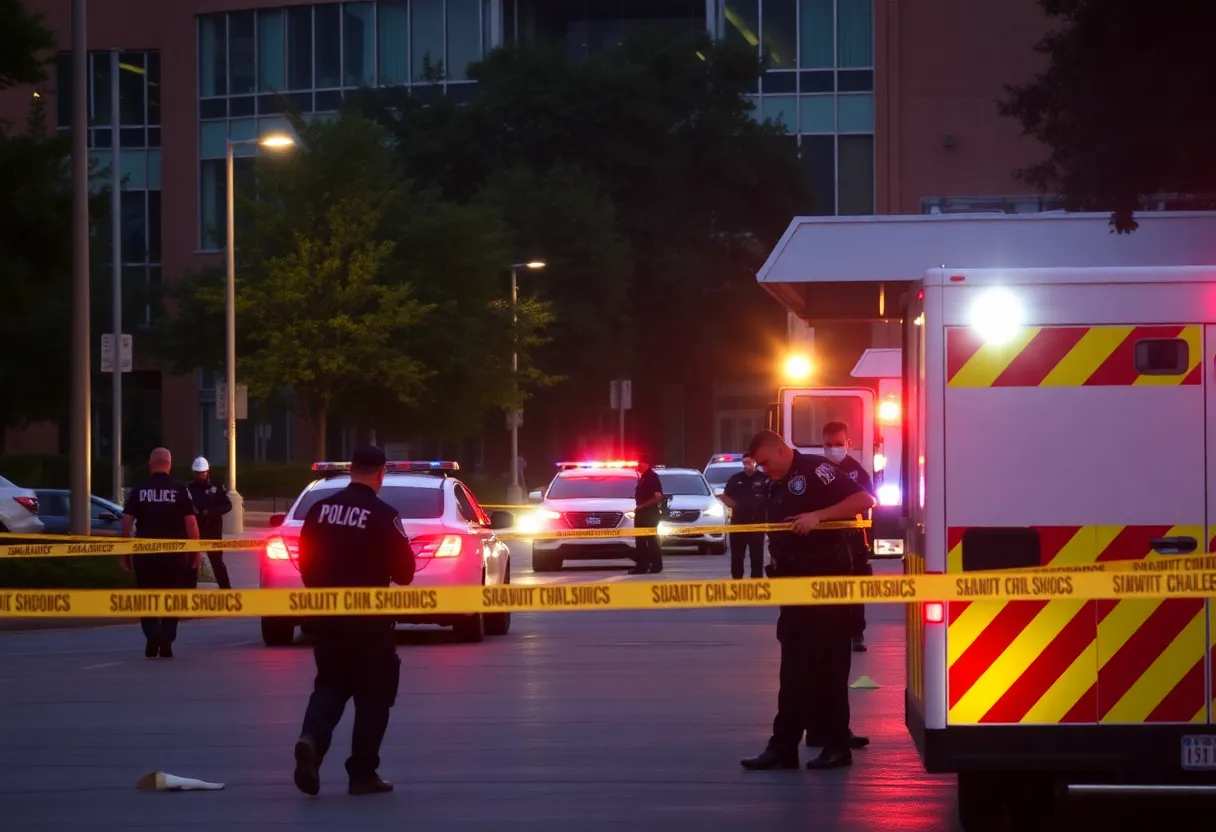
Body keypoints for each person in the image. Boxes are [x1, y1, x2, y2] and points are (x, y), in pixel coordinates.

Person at [739, 429, 876, 772]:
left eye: (766, 462)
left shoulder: (816, 470)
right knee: (800, 667)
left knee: (821, 667)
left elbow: (865, 500)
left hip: (826, 586)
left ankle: (819, 746)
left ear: (781, 450)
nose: (764, 469)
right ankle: (802, 742)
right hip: (795, 587)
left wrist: (819, 516)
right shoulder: (777, 482)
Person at [292, 444, 416, 798]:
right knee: (374, 697)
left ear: (350, 470)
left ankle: (312, 741)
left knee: (329, 686)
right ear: (381, 473)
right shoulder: (383, 514)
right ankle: (362, 774)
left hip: (327, 617)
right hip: (371, 624)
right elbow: (405, 573)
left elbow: (305, 562)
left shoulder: (318, 511)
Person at [119, 447, 200, 659]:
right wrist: (196, 554)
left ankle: (153, 636)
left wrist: (124, 553)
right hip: (175, 555)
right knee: (172, 598)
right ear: (169, 465)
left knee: (147, 598)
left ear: (150, 464)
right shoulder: (180, 489)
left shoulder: (139, 489)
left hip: (145, 556)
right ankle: (166, 638)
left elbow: (127, 524)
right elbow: (191, 525)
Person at [821, 421, 875, 653]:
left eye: (838, 444)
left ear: (848, 444)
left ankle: (856, 633)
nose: (834, 448)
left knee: (855, 588)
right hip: (823, 538)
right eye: (828, 444)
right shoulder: (817, 468)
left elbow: (865, 500)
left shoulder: (857, 472)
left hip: (853, 537)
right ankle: (828, 632)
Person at [185, 456, 233, 590]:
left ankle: (227, 592)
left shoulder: (216, 487)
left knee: (217, 563)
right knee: (192, 563)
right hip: (195, 531)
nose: (200, 475)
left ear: (207, 471)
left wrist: (211, 511)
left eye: (202, 472)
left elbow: (227, 506)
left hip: (213, 531)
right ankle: (188, 593)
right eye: (197, 473)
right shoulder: (188, 488)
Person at [719, 454, 769, 579]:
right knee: (737, 556)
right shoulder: (736, 479)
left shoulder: (764, 479)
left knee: (757, 556)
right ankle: (737, 582)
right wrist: (734, 505)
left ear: (755, 462)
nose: (746, 465)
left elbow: (771, 496)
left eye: (748, 462)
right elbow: (725, 496)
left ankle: (757, 584)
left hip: (757, 524)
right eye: (744, 463)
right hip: (738, 524)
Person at [629, 453, 665, 575]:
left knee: (651, 540)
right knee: (640, 541)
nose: (638, 464)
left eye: (640, 462)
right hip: (642, 514)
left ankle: (656, 566)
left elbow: (658, 496)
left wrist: (643, 506)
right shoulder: (643, 477)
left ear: (646, 464)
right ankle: (643, 566)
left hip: (648, 514)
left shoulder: (652, 477)